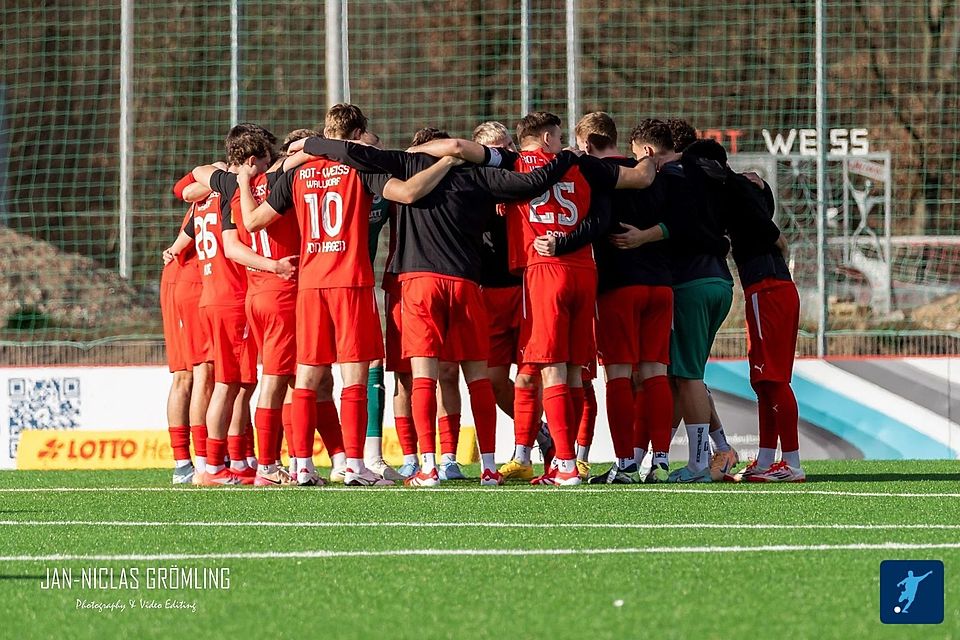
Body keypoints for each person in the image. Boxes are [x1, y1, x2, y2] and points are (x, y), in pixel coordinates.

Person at [290, 129, 584, 486]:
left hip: (418, 283)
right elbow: (532, 184)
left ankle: (426, 466)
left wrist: (311, 145)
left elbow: (358, 155)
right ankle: (488, 468)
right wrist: (568, 158)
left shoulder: (409, 162)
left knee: (420, 377)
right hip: (467, 285)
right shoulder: (480, 174)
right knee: (477, 377)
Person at [240, 104, 464, 486]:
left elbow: (253, 220)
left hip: (310, 285)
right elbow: (408, 193)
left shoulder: (299, 173)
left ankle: (302, 467)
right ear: (358, 134)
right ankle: (355, 466)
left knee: (307, 377)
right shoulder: (361, 169)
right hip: (350, 281)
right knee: (355, 378)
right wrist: (447, 163)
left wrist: (245, 183)